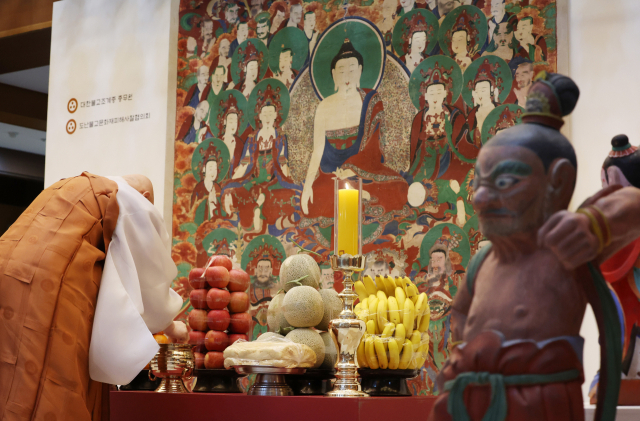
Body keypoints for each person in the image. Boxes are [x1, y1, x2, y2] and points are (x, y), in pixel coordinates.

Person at [429, 73, 640, 421]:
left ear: (557, 183)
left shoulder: (564, 250)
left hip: (540, 403)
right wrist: (466, 354)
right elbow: (462, 310)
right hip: (469, 399)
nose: (481, 197)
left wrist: (592, 224)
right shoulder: (484, 261)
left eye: (505, 181)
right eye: (479, 183)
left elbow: (633, 202)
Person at [0, 173, 187, 421]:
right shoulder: (131, 199)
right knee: (54, 376)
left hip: (8, 270)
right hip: (49, 283)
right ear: (145, 197)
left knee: (12, 368)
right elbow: (147, 282)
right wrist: (172, 325)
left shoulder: (69, 185)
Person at [300, 39, 409, 219]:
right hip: (332, 174)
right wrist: (308, 185)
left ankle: (361, 195)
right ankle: (361, 198)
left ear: (360, 71)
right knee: (317, 198)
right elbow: (317, 151)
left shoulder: (371, 100)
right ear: (334, 75)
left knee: (396, 188)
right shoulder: (324, 106)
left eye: (352, 70)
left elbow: (373, 149)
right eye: (341, 71)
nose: (347, 76)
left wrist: (353, 170)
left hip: (365, 172)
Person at [225, 83, 298, 232]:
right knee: (233, 188)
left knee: (291, 193)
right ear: (259, 116)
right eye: (264, 114)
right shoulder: (252, 138)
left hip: (274, 180)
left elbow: (283, 162)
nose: (267, 117)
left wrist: (288, 179)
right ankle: (254, 212)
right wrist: (233, 181)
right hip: (254, 180)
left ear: (276, 115)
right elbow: (245, 163)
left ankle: (260, 209)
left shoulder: (280, 137)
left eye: (271, 114)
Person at [408, 61, 473, 210]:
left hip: (451, 162)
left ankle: (456, 199)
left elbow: (463, 147)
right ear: (425, 96)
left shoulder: (456, 116)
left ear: (445, 93)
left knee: (465, 178)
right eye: (431, 93)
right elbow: (415, 151)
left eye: (439, 92)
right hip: (425, 166)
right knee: (414, 188)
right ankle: (448, 198)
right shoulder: (419, 118)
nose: (435, 96)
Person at [467, 58, 501, 148]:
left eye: (483, 89)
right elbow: (469, 137)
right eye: (477, 91)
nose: (480, 94)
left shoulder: (499, 109)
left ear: (491, 90)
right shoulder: (473, 114)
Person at [191, 145, 224, 220]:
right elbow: (193, 211)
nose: (213, 172)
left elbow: (222, 211)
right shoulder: (198, 188)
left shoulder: (217, 188)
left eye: (215, 169)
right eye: (210, 168)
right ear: (204, 169)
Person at [216, 94, 245, 175]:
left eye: (235, 121)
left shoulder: (240, 143)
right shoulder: (218, 141)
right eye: (231, 121)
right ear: (225, 122)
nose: (233, 125)